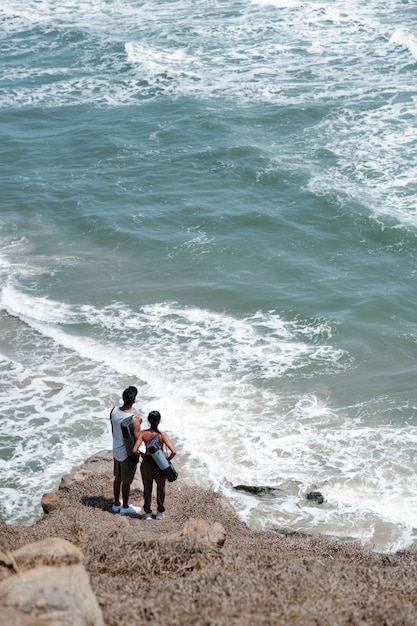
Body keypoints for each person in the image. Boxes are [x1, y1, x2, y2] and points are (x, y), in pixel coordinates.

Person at [132, 410, 176, 520]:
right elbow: (174, 451)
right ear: (159, 421)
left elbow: (134, 450)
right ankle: (160, 512)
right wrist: (166, 460)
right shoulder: (162, 435)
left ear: (148, 421)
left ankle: (147, 512)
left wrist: (143, 455)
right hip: (159, 463)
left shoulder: (143, 433)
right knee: (160, 487)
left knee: (147, 487)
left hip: (147, 463)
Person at [110, 385, 142, 515]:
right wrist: (139, 423)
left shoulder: (113, 411)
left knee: (117, 478)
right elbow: (137, 439)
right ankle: (125, 506)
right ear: (134, 400)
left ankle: (116, 504)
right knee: (126, 482)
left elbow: (113, 429)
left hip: (116, 450)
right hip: (126, 454)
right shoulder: (134, 419)